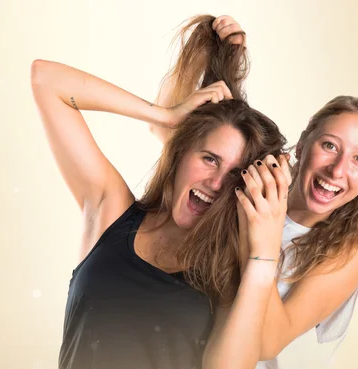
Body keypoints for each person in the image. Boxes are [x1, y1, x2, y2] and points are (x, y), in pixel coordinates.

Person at [30, 14, 287, 369]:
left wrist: (263, 255)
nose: (216, 183)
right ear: (180, 154)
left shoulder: (226, 273)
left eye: (235, 175)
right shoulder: (112, 212)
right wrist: (165, 115)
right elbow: (47, 79)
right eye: (210, 159)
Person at [153, 15, 358, 369]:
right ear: (303, 143)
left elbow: (266, 343)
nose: (337, 170)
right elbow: (173, 134)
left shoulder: (354, 246)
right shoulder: (254, 181)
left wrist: (260, 241)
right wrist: (206, 57)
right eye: (329, 145)